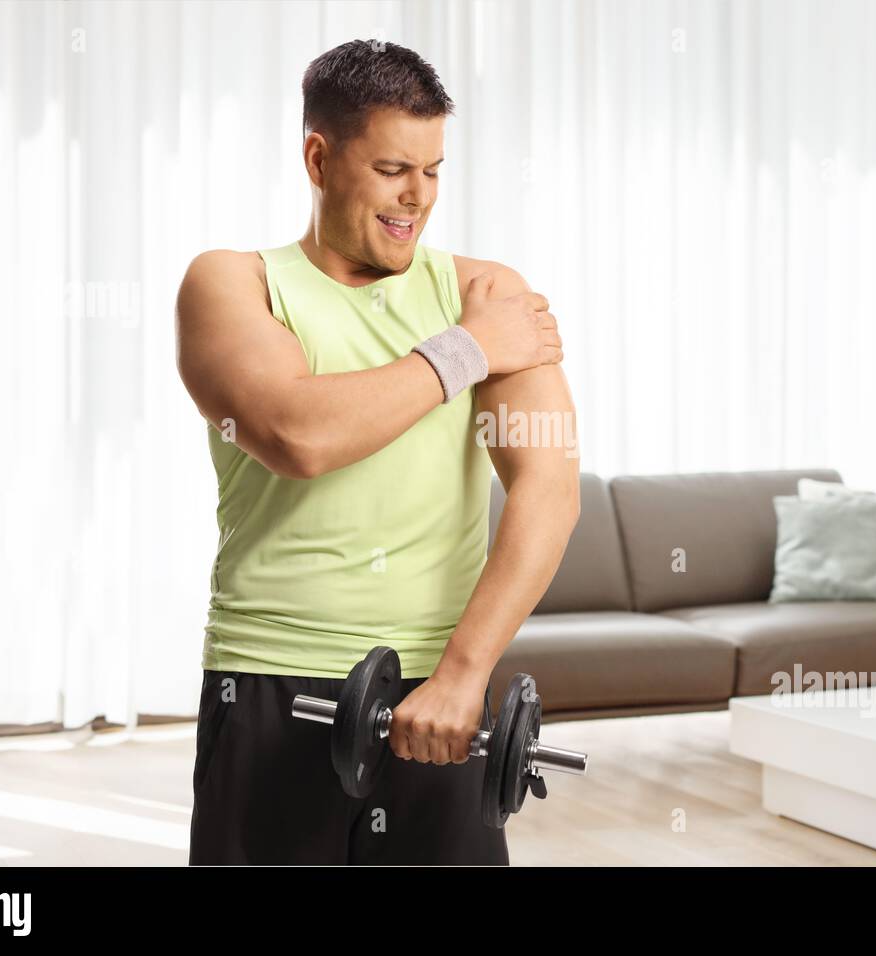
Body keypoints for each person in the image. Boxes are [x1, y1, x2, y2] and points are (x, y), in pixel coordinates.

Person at [175, 39, 580, 865]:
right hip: (271, 681)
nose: (417, 198)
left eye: (434, 171)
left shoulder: (484, 291)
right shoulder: (235, 284)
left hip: (443, 693)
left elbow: (549, 486)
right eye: (394, 168)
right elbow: (299, 434)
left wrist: (467, 672)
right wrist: (470, 350)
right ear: (318, 158)